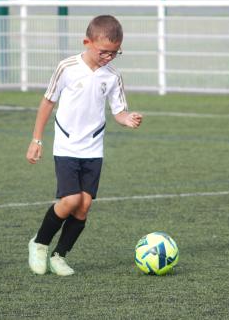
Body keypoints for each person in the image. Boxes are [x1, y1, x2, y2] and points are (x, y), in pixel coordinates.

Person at [26, 15, 143, 276]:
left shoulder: (113, 76)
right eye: (104, 52)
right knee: (70, 200)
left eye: (115, 53)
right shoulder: (67, 67)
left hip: (93, 148)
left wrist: (128, 119)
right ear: (87, 42)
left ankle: (59, 256)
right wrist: (36, 140)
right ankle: (40, 243)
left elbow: (119, 111)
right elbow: (47, 103)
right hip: (66, 145)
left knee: (84, 205)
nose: (109, 57)